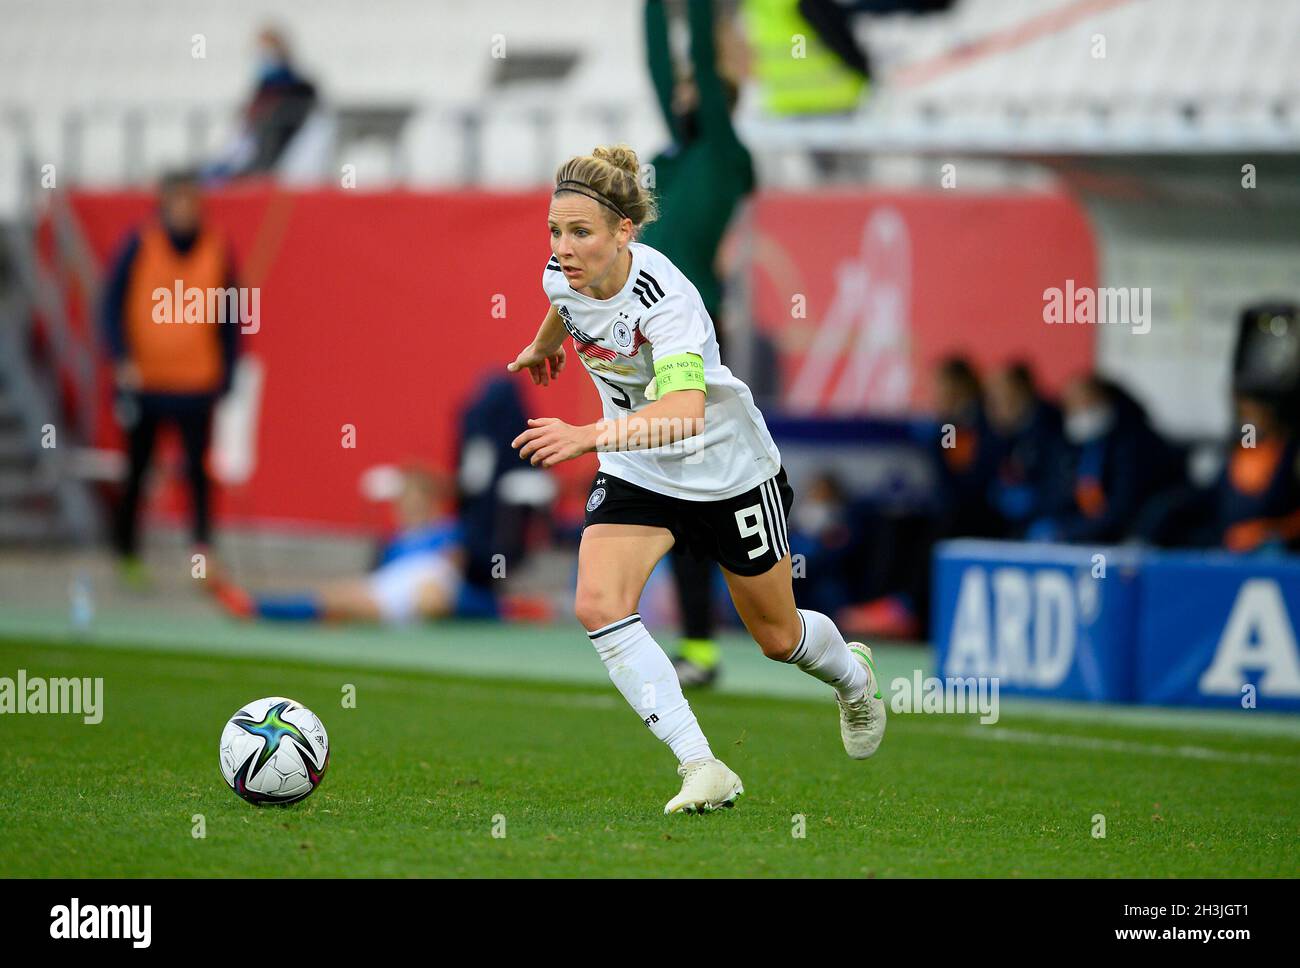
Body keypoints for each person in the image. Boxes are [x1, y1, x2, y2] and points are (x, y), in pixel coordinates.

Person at [507, 144, 885, 815]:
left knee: (778, 638)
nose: (563, 248)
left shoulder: (668, 300)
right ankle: (701, 764)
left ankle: (854, 681)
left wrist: (586, 436)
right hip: (639, 468)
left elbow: (682, 414)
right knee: (598, 602)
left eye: (581, 233)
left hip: (727, 470)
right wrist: (545, 344)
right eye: (555, 232)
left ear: (625, 232)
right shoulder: (559, 273)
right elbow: (565, 301)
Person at [642, 0, 758, 687]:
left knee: (694, 495)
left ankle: (707, 644)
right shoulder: (680, 158)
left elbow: (701, 84)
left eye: (694, 90)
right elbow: (661, 69)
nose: (680, 95)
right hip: (649, 338)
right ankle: (698, 648)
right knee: (675, 494)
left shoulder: (722, 151)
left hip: (694, 338)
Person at [102, 169, 239, 587]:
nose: (186, 210)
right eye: (178, 201)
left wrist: (229, 372)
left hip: (197, 383)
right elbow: (111, 305)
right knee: (138, 470)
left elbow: (231, 316)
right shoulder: (141, 244)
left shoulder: (217, 248)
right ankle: (127, 553)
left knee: (198, 474)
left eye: (192, 202)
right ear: (164, 205)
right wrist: (121, 357)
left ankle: (200, 558)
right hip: (147, 382)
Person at [210, 466, 518, 624]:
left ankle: (511, 610)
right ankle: (256, 606)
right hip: (392, 591)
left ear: (430, 501)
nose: (404, 505)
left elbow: (456, 566)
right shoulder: (396, 541)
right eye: (402, 499)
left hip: (426, 585)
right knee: (337, 595)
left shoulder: (449, 530)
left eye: (412, 498)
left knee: (434, 595)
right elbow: (382, 576)